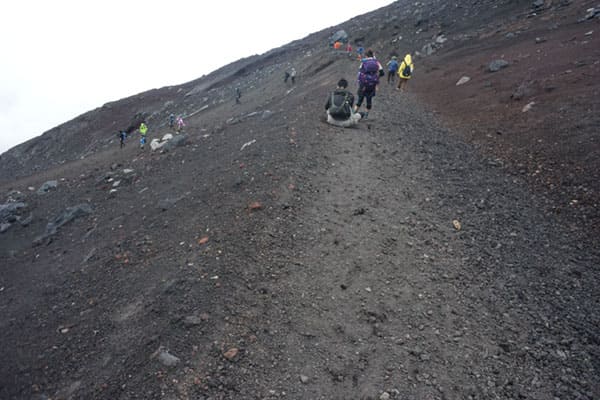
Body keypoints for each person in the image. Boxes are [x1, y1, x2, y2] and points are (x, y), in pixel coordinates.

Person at [354, 49, 383, 119]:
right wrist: (375, 78)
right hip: (372, 84)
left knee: (360, 99)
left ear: (366, 55)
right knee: (369, 100)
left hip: (363, 84)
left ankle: (354, 112)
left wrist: (360, 82)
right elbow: (382, 73)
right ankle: (366, 115)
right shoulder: (377, 62)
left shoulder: (364, 62)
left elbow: (360, 72)